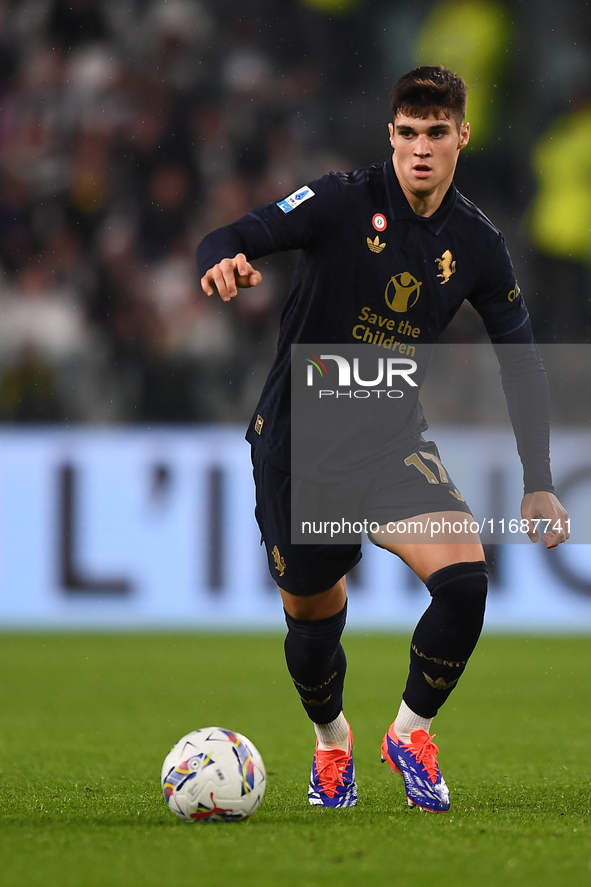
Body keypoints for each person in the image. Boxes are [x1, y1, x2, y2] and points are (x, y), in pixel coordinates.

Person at [196, 66, 569, 813]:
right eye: (407, 134)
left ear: (462, 134)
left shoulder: (476, 244)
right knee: (312, 620)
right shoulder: (340, 201)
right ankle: (332, 743)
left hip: (389, 439)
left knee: (464, 583)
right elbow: (235, 230)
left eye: (436, 133)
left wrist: (537, 477)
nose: (420, 150)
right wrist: (222, 257)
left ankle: (409, 732)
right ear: (390, 136)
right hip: (299, 448)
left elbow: (522, 366)